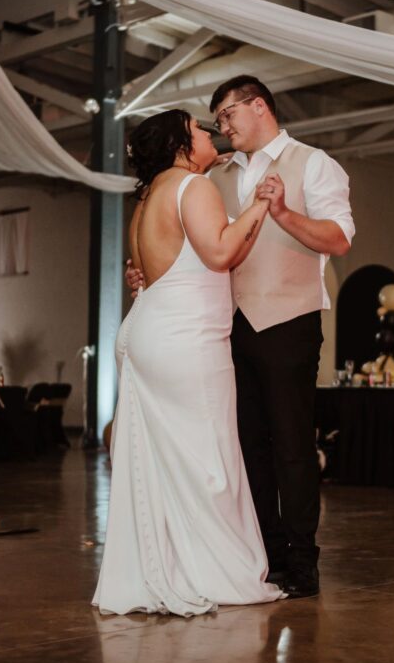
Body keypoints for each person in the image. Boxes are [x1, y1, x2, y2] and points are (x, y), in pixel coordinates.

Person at [128, 76, 355, 600]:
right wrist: (142, 271)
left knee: (293, 447)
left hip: (288, 322)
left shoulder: (313, 162)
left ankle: (302, 562)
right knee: (245, 446)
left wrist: (282, 213)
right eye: (216, 121)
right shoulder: (216, 176)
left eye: (228, 115)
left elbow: (339, 238)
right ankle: (266, 557)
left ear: (259, 107)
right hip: (225, 327)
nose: (223, 128)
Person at [92, 109, 284, 617]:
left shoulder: (147, 199)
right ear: (181, 144)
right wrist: (261, 204)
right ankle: (216, 573)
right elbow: (220, 253)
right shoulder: (193, 188)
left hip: (145, 331)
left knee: (164, 462)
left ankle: (171, 566)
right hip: (188, 339)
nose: (210, 134)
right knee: (209, 459)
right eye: (200, 130)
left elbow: (149, 272)